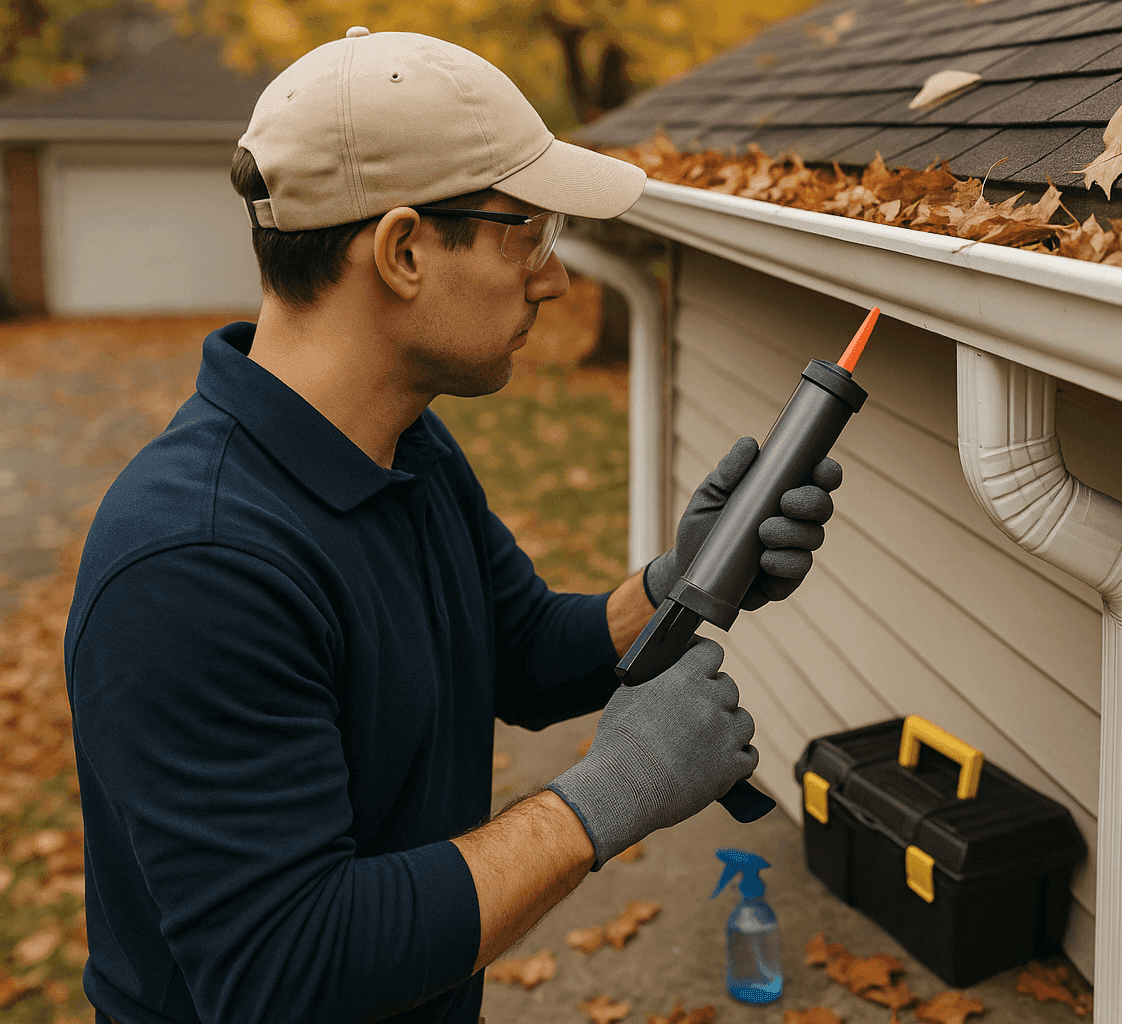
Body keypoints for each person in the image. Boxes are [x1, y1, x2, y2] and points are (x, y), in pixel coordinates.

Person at [63, 28, 841, 1024]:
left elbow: (513, 650)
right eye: (528, 234)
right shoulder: (194, 567)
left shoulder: (408, 448)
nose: (556, 279)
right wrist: (603, 798)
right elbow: (283, 968)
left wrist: (681, 581)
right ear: (402, 251)